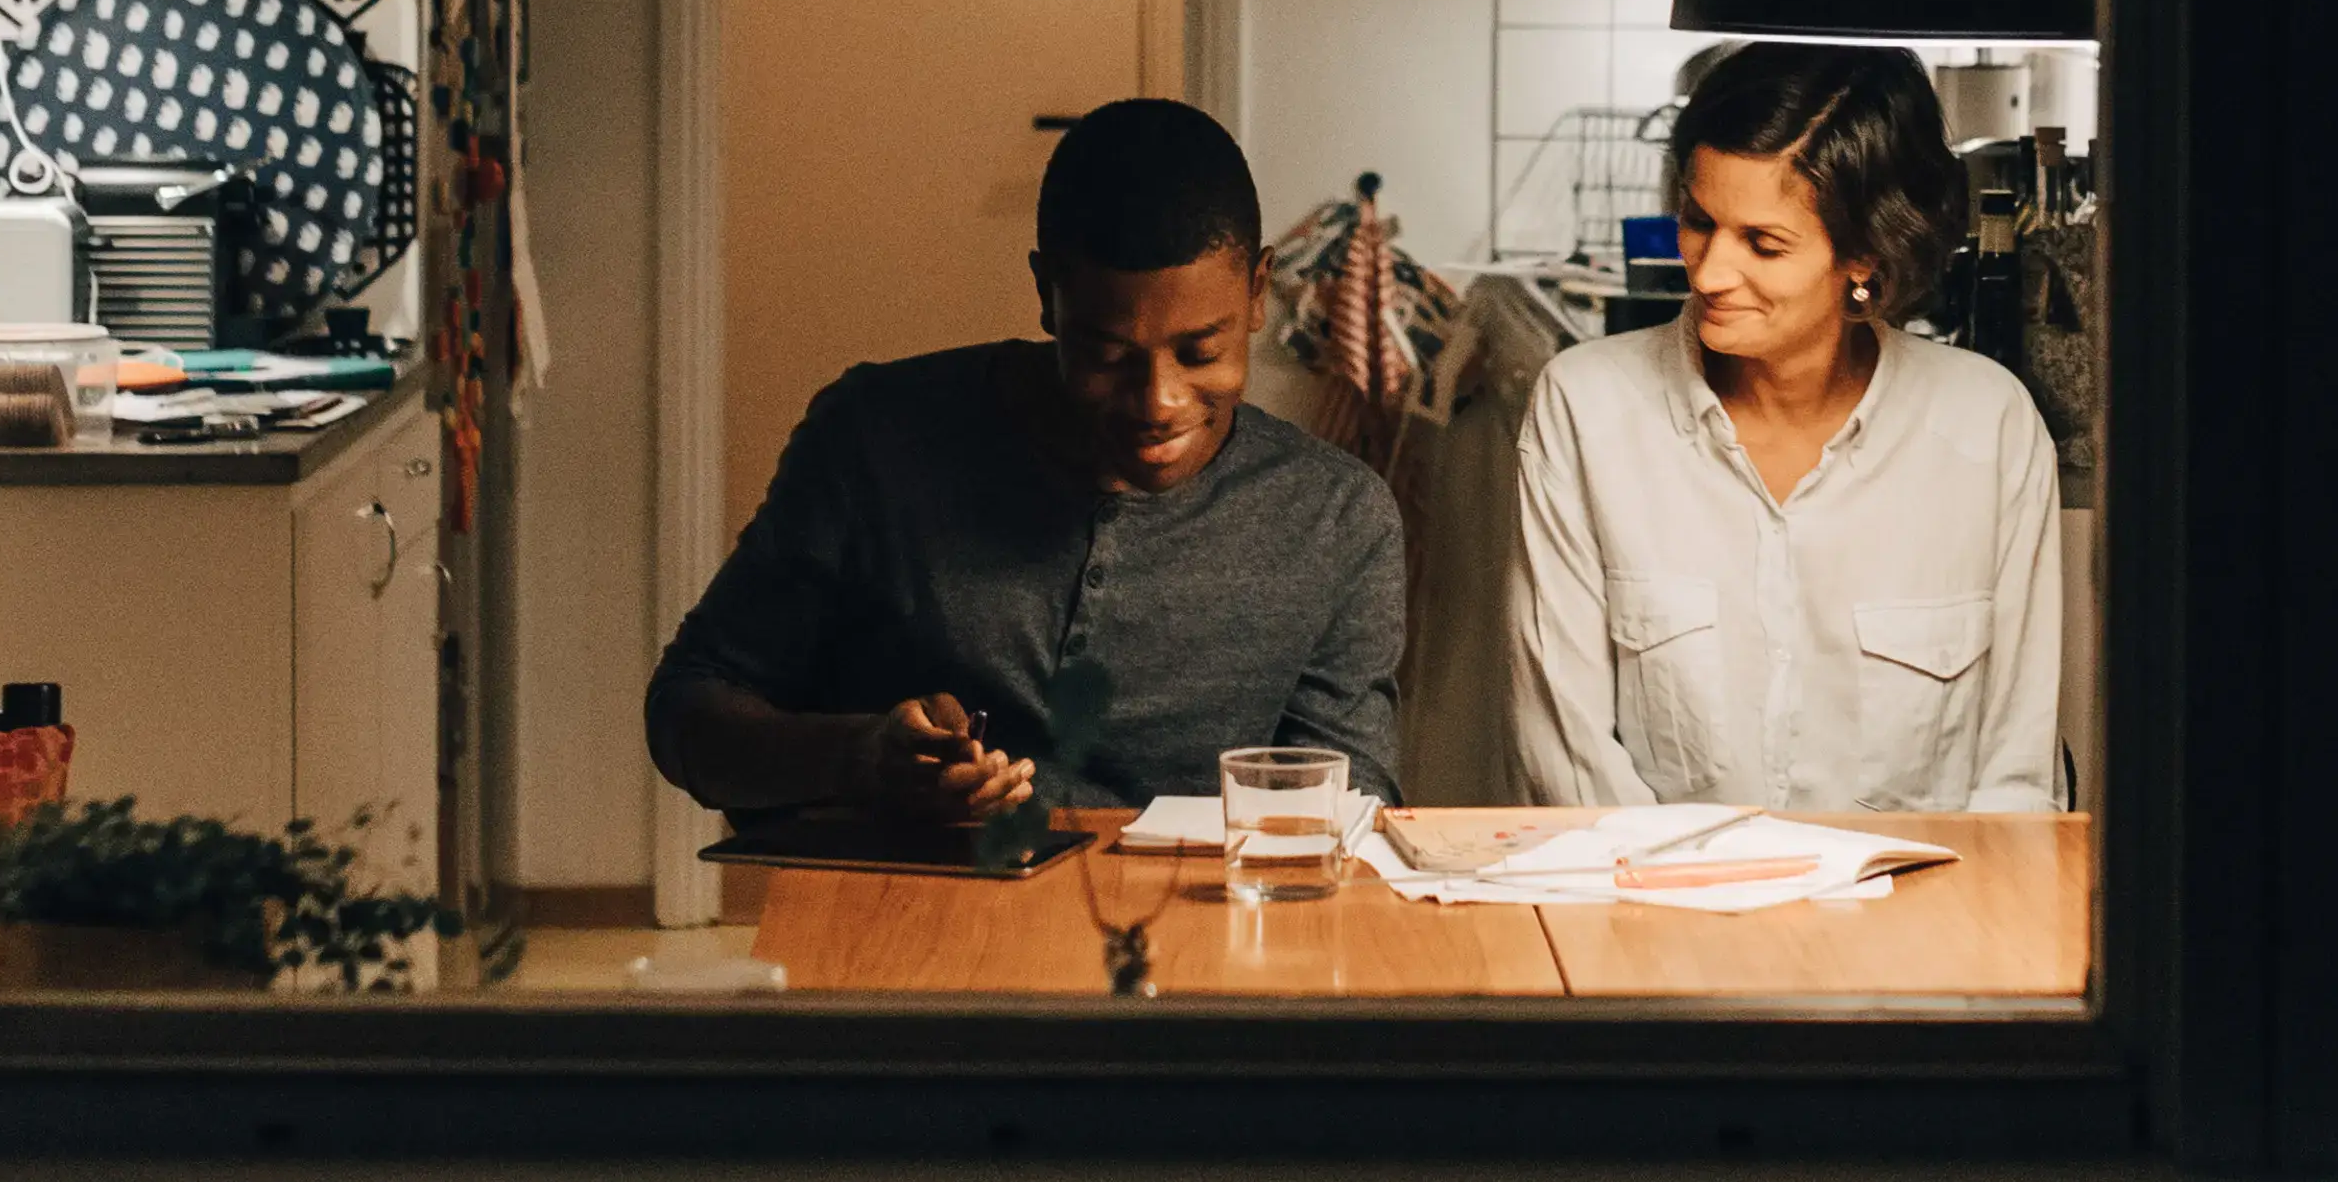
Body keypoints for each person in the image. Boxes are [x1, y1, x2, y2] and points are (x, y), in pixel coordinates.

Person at [647, 97, 1402, 822]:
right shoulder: (875, 443)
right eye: (1109, 356)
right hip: (895, 921)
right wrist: (860, 757)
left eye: (1201, 351)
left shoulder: (1336, 520)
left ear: (1260, 290)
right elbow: (689, 710)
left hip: (1190, 939)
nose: (1159, 402)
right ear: (1048, 295)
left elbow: (1349, 815)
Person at [1510, 42, 2062, 814]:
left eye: (1763, 244)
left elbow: (2018, 778)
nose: (1708, 274)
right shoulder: (1590, 410)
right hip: (1660, 917)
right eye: (1699, 222)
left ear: (1866, 259)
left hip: (1918, 926)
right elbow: (1569, 762)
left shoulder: (1987, 430)